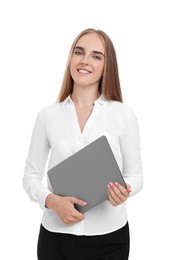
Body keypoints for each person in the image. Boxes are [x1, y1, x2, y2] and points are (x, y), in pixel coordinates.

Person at [23, 28, 143, 260]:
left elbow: (136, 176)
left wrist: (124, 190)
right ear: (71, 58)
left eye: (96, 56)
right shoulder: (47, 116)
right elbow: (30, 176)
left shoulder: (123, 114)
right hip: (55, 237)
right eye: (79, 52)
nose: (85, 61)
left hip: (110, 239)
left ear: (107, 65)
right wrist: (51, 201)